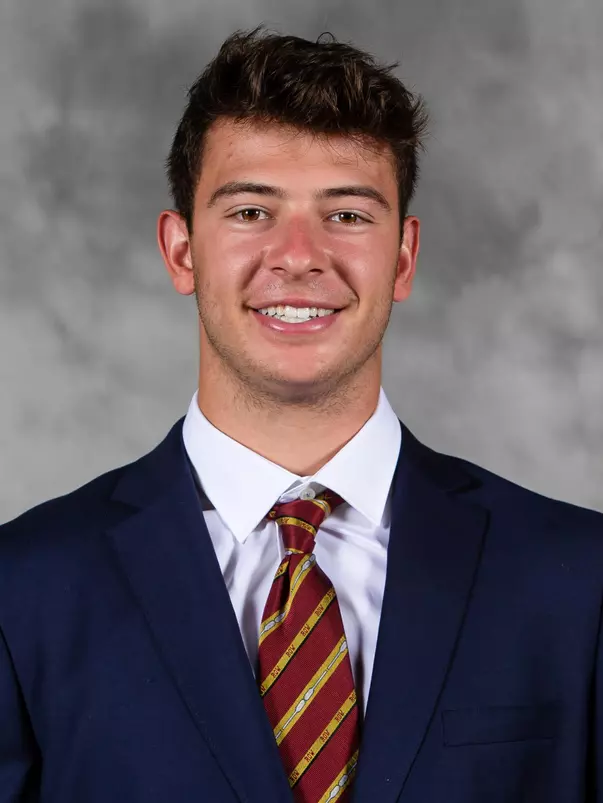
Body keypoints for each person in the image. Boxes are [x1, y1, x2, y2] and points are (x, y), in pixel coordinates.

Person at [1, 23, 602, 803]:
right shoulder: (24, 589)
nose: (298, 254)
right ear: (182, 250)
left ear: (404, 257)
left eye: (346, 215)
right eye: (251, 211)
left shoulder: (578, 581)